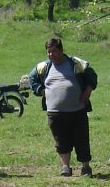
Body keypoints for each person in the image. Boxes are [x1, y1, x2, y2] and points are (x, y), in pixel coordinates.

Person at [27, 37, 97, 177]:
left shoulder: (76, 63)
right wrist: (41, 91)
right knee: (61, 140)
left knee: (81, 139)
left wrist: (87, 93)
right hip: (55, 112)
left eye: (54, 51)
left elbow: (92, 77)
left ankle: (85, 167)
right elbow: (31, 79)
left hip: (77, 110)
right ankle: (65, 167)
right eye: (48, 51)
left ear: (61, 50)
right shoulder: (43, 67)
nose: (51, 54)